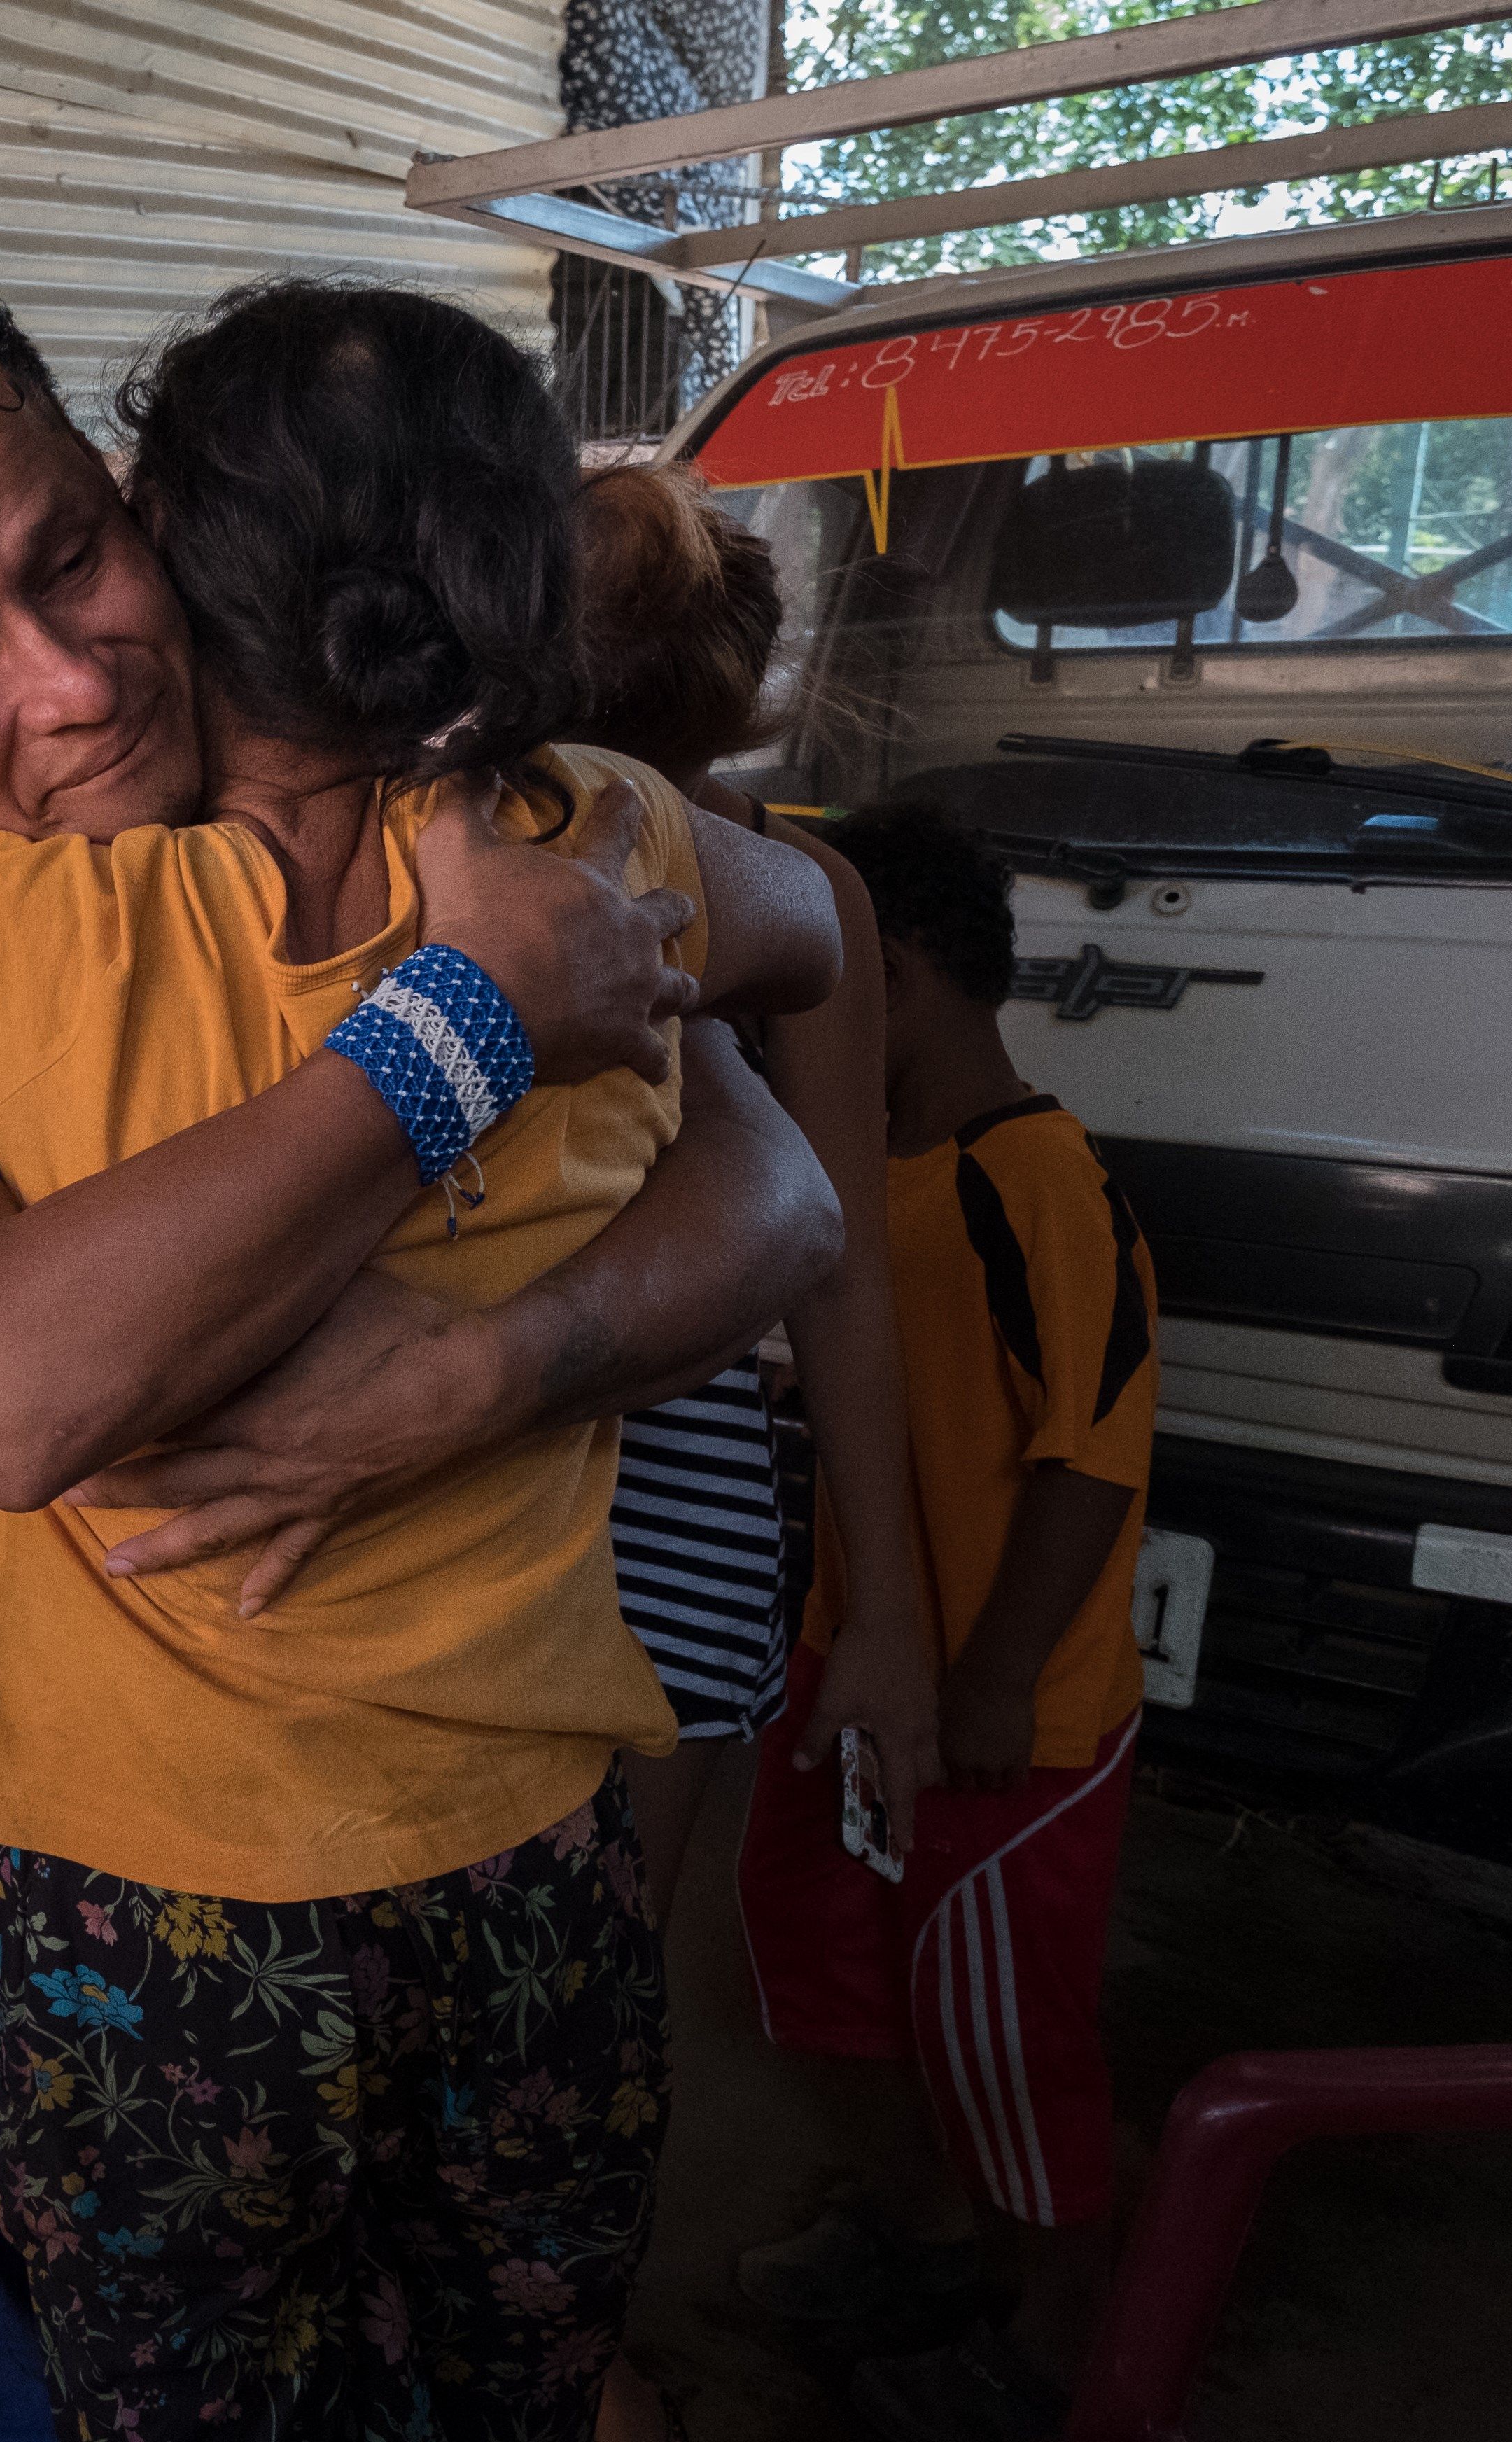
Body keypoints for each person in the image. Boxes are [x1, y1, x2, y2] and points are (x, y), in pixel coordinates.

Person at [0, 261, 850, 2439]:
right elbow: (11, 1398)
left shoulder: (446, 816)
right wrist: (460, 1029)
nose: (81, 681)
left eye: (77, 553)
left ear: (132, 485)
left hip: (455, 1784)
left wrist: (489, 1369)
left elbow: (784, 1184)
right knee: (41, 2364)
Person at [552, 466, 950, 2442]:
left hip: (638, 1504)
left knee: (557, 1981)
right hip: (596, 1505)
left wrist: (882, 1611)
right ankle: (564, 2348)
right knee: (576, 1980)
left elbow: (845, 1272)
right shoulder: (778, 880)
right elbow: (852, 1285)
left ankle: (563, 2353)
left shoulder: (784, 898)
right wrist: (876, 1605)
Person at [725, 805, 1160, 2442]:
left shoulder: (1034, 1178)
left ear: (885, 978)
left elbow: (1091, 1453)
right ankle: (917, 2234)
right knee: (865, 1975)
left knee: (1006, 2031)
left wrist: (995, 1671)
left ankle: (1064, 2341)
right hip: (865, 1676)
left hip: (1009, 1719)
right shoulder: (880, 1179)